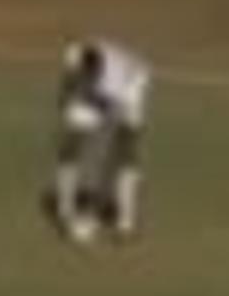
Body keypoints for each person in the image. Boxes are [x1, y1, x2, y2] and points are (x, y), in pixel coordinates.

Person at [47, 37, 154, 243]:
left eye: (83, 75)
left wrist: (91, 213)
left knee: (124, 149)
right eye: (78, 74)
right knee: (70, 143)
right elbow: (67, 84)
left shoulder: (115, 83)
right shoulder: (78, 53)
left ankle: (125, 221)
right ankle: (65, 208)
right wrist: (66, 103)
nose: (78, 78)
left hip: (132, 86)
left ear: (94, 71)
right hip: (99, 91)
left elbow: (107, 136)